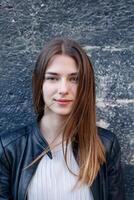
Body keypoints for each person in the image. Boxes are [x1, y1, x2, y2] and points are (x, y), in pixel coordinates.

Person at [0, 38, 124, 200]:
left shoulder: (106, 145)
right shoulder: (9, 149)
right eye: (52, 78)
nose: (64, 89)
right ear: (39, 83)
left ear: (85, 86)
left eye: (75, 79)